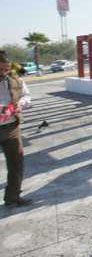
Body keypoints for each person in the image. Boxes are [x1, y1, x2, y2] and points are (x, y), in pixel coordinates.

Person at [0, 51, 32, 207]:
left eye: (6, 69)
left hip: (11, 127)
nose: (4, 73)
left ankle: (13, 196)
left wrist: (21, 103)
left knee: (17, 163)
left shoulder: (15, 79)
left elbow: (27, 96)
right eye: (1, 70)